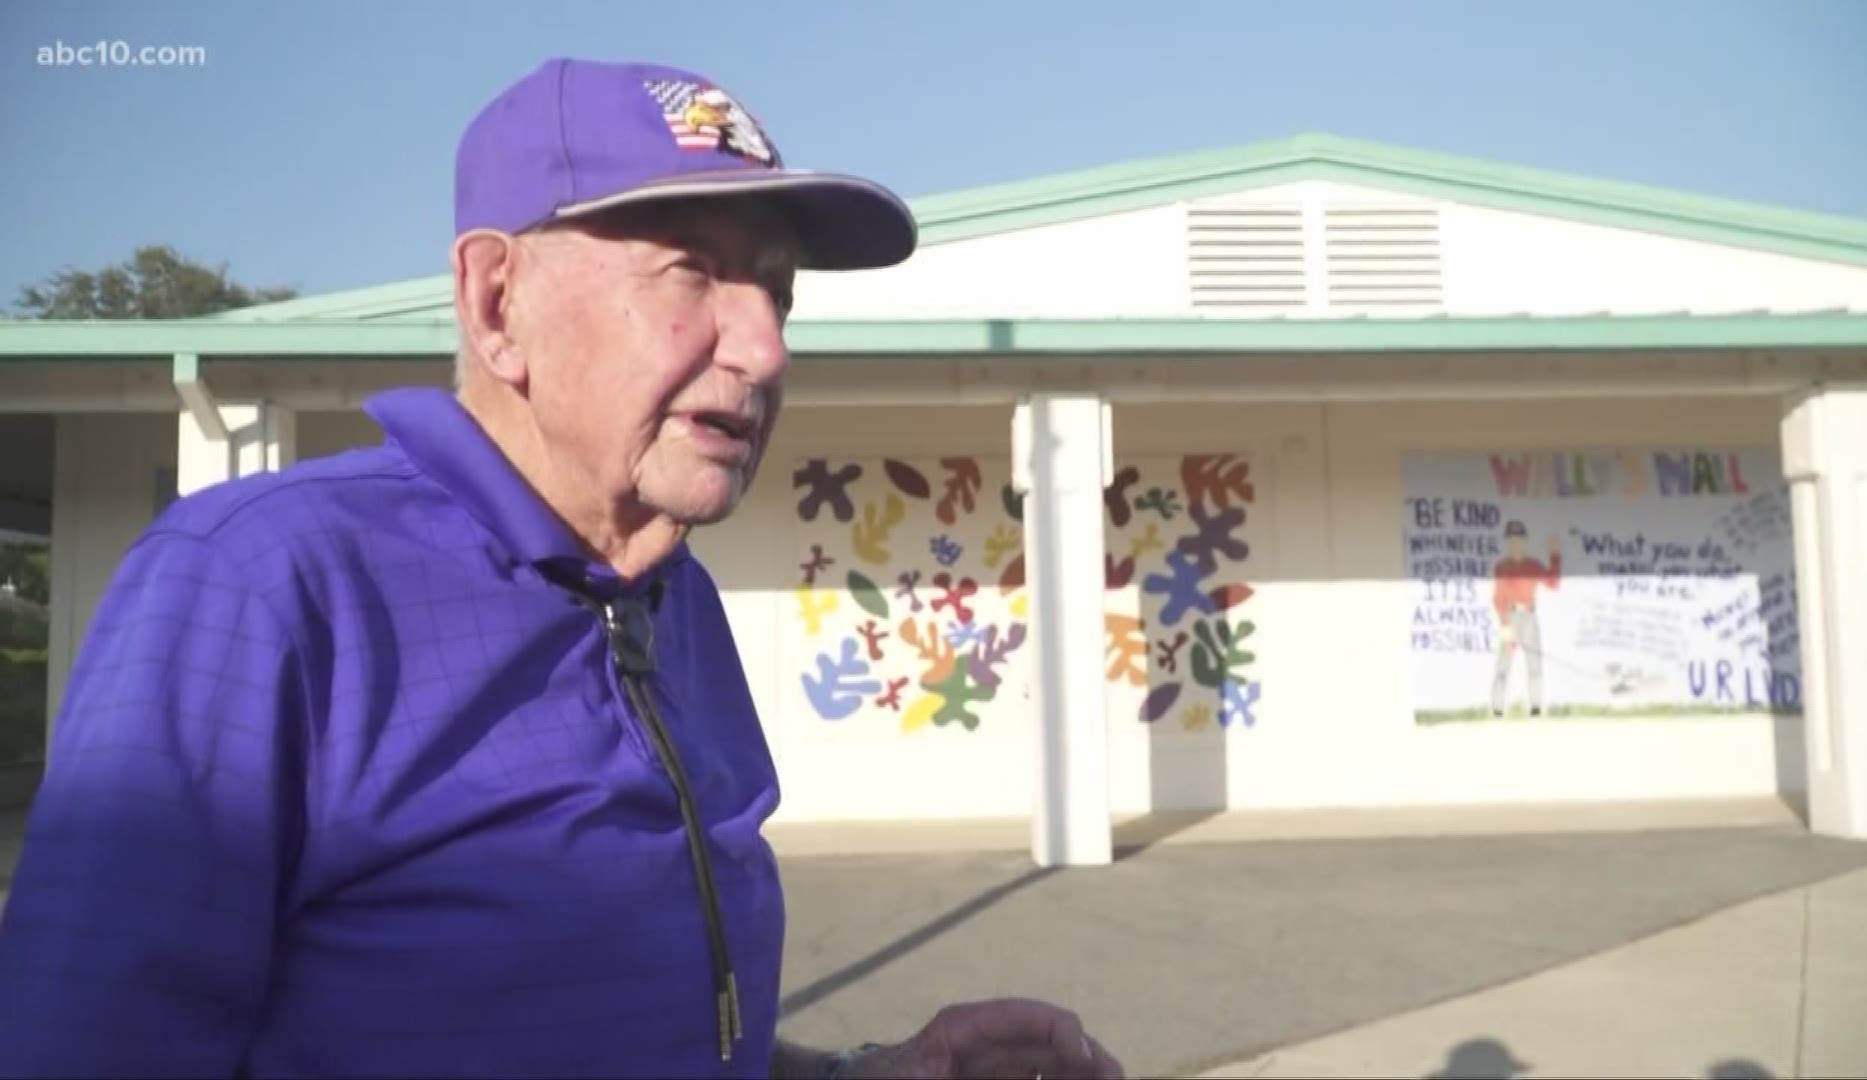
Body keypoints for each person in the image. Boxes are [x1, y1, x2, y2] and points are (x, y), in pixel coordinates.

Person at [0, 57, 1123, 1080]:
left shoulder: (674, 598)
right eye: (692, 273)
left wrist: (856, 1076)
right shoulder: (260, 588)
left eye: (778, 292)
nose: (768, 347)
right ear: (498, 304)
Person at [1489, 519, 1561, 716]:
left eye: (1519, 538)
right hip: (1510, 617)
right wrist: (1504, 621)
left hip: (1529, 617)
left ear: (1524, 541)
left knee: (1534, 664)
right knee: (1503, 665)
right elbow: (1497, 596)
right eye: (1511, 539)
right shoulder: (1501, 566)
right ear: (1507, 541)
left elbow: (1553, 583)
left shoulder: (1533, 565)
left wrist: (1555, 556)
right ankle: (1497, 708)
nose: (1515, 542)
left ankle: (1536, 706)